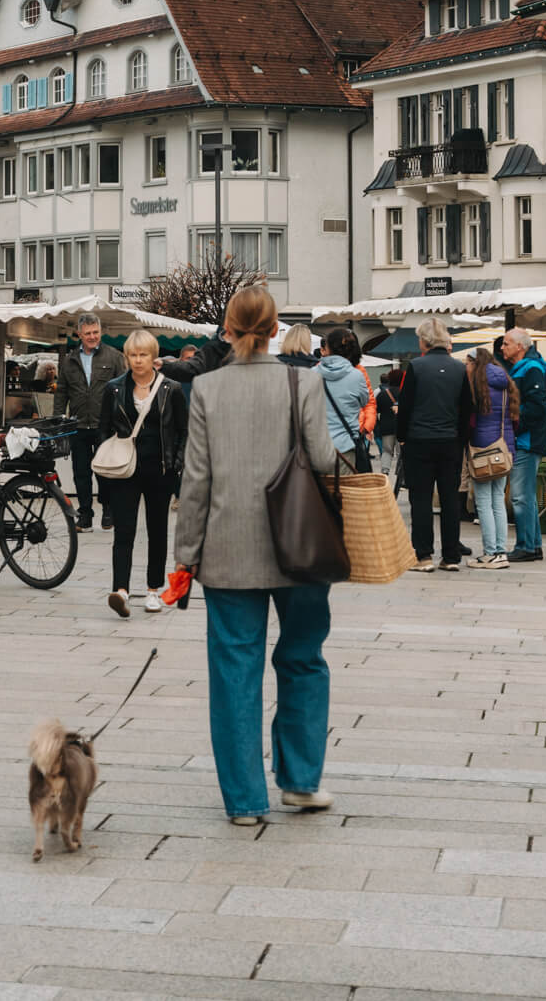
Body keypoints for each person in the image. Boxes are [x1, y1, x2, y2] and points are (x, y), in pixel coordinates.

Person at [175, 285, 338, 825]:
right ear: (274, 330)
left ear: (228, 328)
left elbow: (195, 478)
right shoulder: (305, 381)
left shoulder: (206, 389)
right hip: (302, 546)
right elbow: (322, 458)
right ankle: (299, 779)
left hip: (227, 549)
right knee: (304, 661)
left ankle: (245, 801)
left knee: (234, 673)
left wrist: (186, 554)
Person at [100, 330, 187, 617]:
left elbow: (183, 432)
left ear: (153, 357)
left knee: (157, 531)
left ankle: (153, 590)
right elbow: (104, 431)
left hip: (159, 469)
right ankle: (121, 590)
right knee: (123, 531)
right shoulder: (113, 388)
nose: (138, 361)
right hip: (124, 469)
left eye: (143, 355)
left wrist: (175, 464)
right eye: (133, 355)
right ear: (127, 357)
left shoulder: (170, 389)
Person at [396, 317, 473, 572]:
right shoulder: (459, 369)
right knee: (450, 498)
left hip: (419, 440)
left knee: (421, 499)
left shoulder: (416, 367)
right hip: (450, 441)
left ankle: (424, 555)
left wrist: (402, 437)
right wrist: (461, 439)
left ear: (425, 341)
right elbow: (466, 408)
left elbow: (405, 406)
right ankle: (451, 556)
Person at [55, 314, 125, 532]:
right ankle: (85, 515)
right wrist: (59, 419)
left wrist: (122, 421)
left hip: (105, 426)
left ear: (100, 332)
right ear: (79, 335)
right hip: (78, 425)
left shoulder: (114, 357)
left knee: (104, 471)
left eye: (96, 332)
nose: (93, 337)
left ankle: (108, 510)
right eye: (88, 333)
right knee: (81, 473)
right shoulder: (69, 360)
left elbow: (122, 390)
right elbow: (62, 393)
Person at [465, 349, 518, 569]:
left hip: (483, 449)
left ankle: (490, 553)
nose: (465, 367)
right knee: (498, 501)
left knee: (484, 503)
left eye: (466, 363)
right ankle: (501, 552)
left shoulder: (477, 384)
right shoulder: (505, 382)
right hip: (505, 447)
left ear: (474, 363)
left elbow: (471, 419)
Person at [501, 326, 546, 562]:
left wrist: (514, 418)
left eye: (506, 343)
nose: (502, 348)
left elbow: (537, 407)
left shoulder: (531, 369)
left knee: (520, 496)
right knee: (526, 495)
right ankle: (534, 544)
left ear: (520, 346)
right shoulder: (524, 367)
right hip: (525, 439)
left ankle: (526, 547)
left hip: (527, 441)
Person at [316, 327, 371, 470]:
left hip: (316, 447)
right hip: (345, 447)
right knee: (345, 491)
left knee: (317, 492)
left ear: (327, 348)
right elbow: (364, 401)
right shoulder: (357, 376)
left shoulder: (311, 373)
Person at [162, 327, 231, 383]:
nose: (192, 362)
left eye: (194, 358)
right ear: (180, 359)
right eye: (188, 358)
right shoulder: (168, 380)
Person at [375, 372, 398, 475]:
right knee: (402, 453)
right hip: (402, 427)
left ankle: (385, 470)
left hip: (387, 426)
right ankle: (402, 475)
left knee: (386, 451)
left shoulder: (382, 394)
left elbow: (376, 410)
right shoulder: (406, 392)